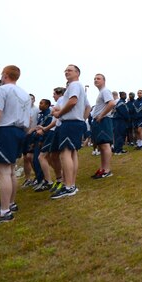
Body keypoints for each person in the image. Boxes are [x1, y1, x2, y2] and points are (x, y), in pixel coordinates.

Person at [0, 65, 32, 224]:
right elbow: (29, 118)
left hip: (6, 130)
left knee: (3, 171)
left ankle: (4, 211)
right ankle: (10, 203)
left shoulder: (2, 90)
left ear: (5, 75)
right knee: (10, 170)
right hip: (20, 131)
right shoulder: (25, 94)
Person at [50, 64, 89, 199]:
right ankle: (71, 185)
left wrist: (60, 113)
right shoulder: (78, 86)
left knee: (66, 153)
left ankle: (68, 187)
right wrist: (81, 119)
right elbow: (87, 106)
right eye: (65, 70)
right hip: (76, 122)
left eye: (70, 70)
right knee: (72, 153)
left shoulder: (74, 85)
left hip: (69, 123)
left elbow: (73, 101)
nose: (66, 72)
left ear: (77, 73)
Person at [90, 73, 115, 179]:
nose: (96, 80)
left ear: (104, 81)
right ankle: (102, 169)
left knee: (105, 145)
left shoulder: (105, 91)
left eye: (98, 78)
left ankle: (107, 170)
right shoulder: (101, 92)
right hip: (99, 121)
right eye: (95, 78)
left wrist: (101, 115)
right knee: (101, 146)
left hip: (103, 120)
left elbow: (112, 103)